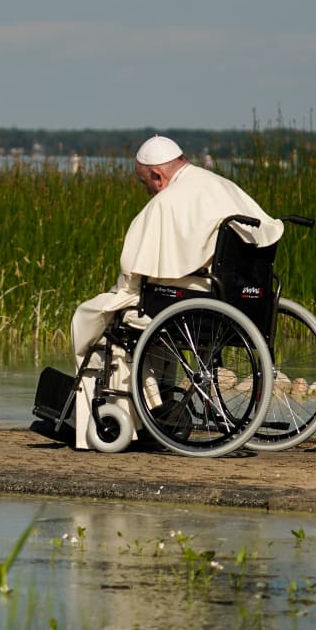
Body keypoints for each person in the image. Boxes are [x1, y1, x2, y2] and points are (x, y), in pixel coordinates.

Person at [68, 135, 283, 450]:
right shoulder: (222, 186)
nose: (148, 191)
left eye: (145, 183)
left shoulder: (167, 202)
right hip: (238, 300)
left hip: (192, 302)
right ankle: (154, 408)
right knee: (154, 310)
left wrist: (124, 291)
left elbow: (134, 273)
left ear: (157, 175)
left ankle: (120, 415)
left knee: (92, 316)